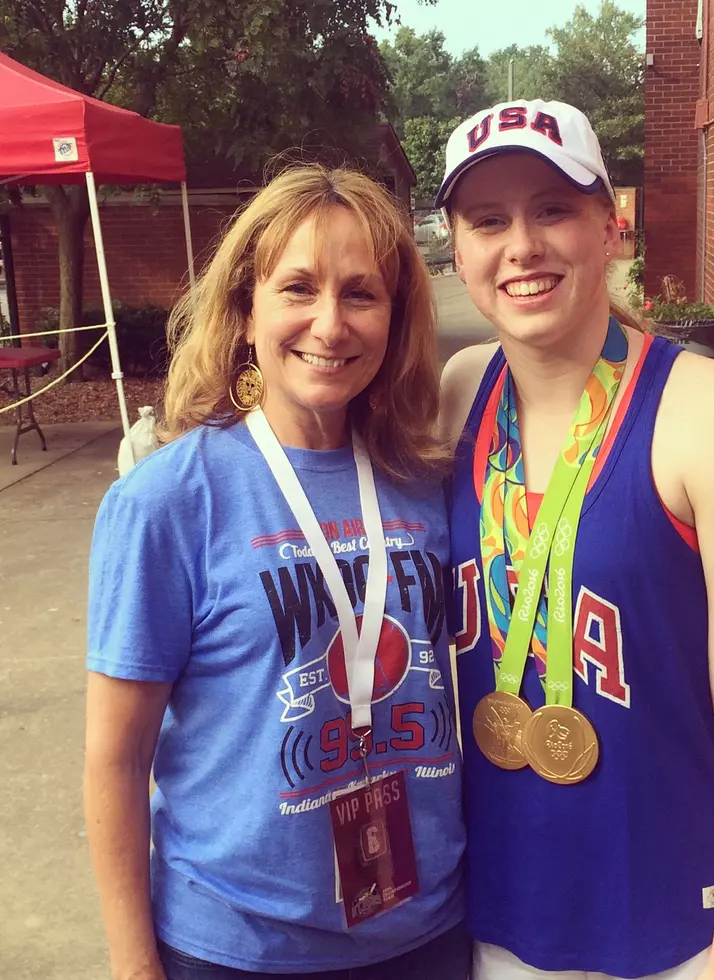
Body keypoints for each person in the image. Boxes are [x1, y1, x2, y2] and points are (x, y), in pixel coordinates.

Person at [439, 100, 714, 980]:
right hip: (494, 918)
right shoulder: (457, 395)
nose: (522, 246)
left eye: (553, 209)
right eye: (488, 220)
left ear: (612, 226)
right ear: (457, 249)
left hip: (676, 929)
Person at [84, 165, 468, 980]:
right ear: (245, 309)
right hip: (237, 948)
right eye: (298, 287)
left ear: (394, 319)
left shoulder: (429, 482)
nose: (330, 324)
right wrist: (132, 965)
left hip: (428, 934)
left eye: (361, 293)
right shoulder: (166, 502)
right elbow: (116, 759)